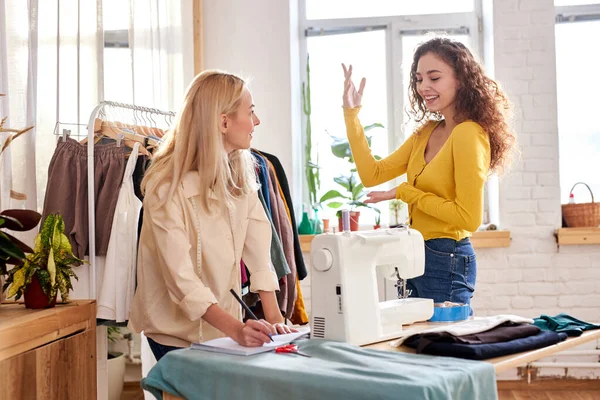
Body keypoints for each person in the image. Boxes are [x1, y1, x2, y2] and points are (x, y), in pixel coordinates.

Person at [129, 70, 294, 361]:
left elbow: (258, 251)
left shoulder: (240, 178)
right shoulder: (165, 188)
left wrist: (276, 320)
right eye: (251, 112)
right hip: (175, 337)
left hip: (222, 334)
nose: (257, 121)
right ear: (223, 121)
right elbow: (180, 278)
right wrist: (237, 329)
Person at [341, 37, 515, 310]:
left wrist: (407, 193)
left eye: (434, 78)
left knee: (442, 347)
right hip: (416, 251)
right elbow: (372, 174)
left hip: (447, 255)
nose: (424, 87)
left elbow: (468, 219)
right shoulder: (426, 132)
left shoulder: (469, 134)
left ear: (461, 80)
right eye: (419, 79)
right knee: (418, 345)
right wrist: (352, 115)